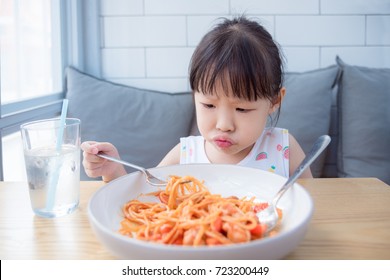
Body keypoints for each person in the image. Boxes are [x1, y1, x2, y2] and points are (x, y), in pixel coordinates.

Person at [81, 16, 312, 182]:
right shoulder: (185, 155)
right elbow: (145, 195)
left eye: (242, 109)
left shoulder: (284, 149)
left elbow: (312, 206)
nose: (223, 125)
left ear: (274, 101)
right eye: (209, 105)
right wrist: (113, 171)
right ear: (194, 96)